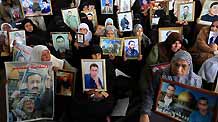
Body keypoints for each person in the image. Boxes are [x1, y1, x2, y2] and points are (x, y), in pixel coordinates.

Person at [139, 50, 202, 122]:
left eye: (184, 66)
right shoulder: (160, 74)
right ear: (172, 63)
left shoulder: (196, 81)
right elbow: (150, 94)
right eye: (176, 65)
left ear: (189, 66)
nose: (179, 69)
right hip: (160, 112)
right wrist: (144, 113)